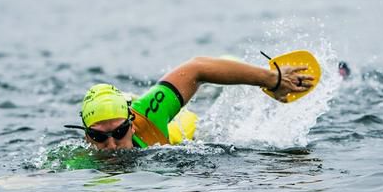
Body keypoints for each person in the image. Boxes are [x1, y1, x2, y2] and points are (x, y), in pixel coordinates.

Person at [66, 56, 314, 151]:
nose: (112, 145)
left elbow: (196, 68)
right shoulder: (77, 158)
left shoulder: (148, 115)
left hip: (183, 128)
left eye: (119, 132)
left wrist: (272, 79)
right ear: (87, 137)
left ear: (130, 125)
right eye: (99, 138)